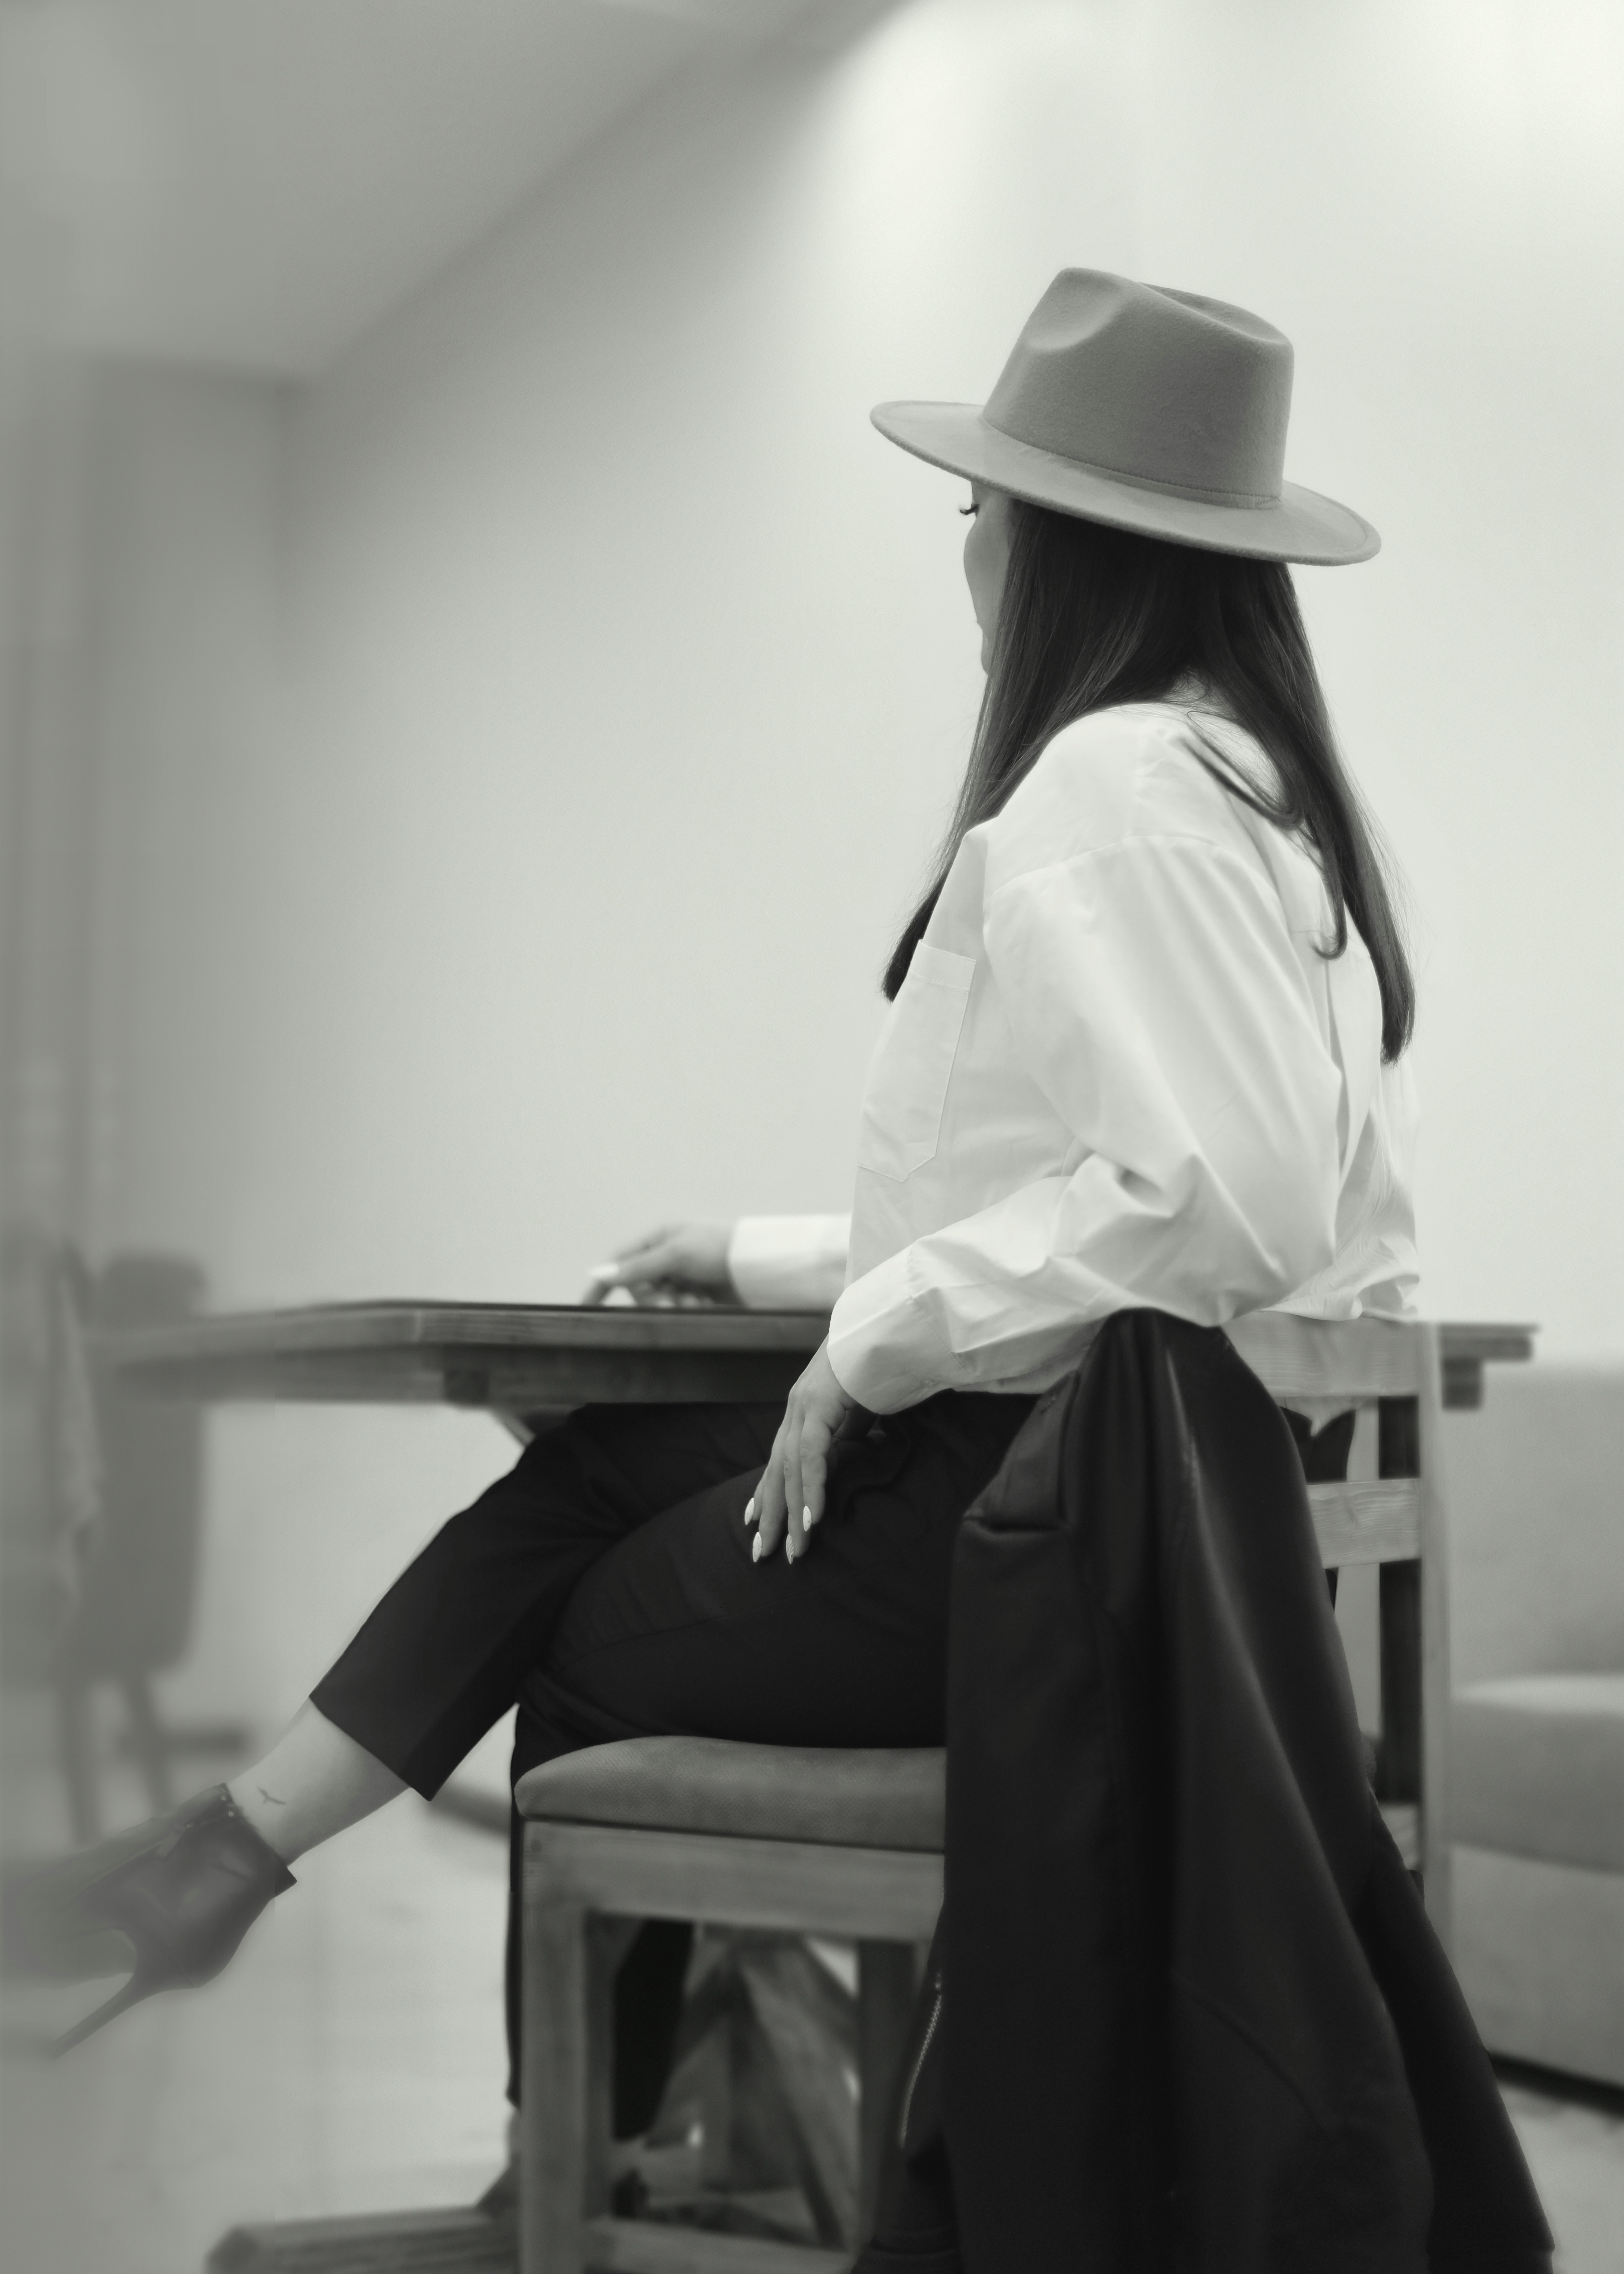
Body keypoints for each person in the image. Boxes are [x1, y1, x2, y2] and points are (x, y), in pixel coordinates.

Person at [15, 271, 1417, 2151]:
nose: (971, 544)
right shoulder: (1249, 797)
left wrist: (870, 1344)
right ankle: (240, 1880)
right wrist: (769, 1267)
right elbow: (1084, 1201)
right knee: (604, 1463)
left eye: (979, 506)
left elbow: (1202, 1206)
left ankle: (594, 2160)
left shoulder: (1112, 786)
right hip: (1167, 1529)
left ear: (1064, 542)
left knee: (595, 1619)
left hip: (1084, 1559)